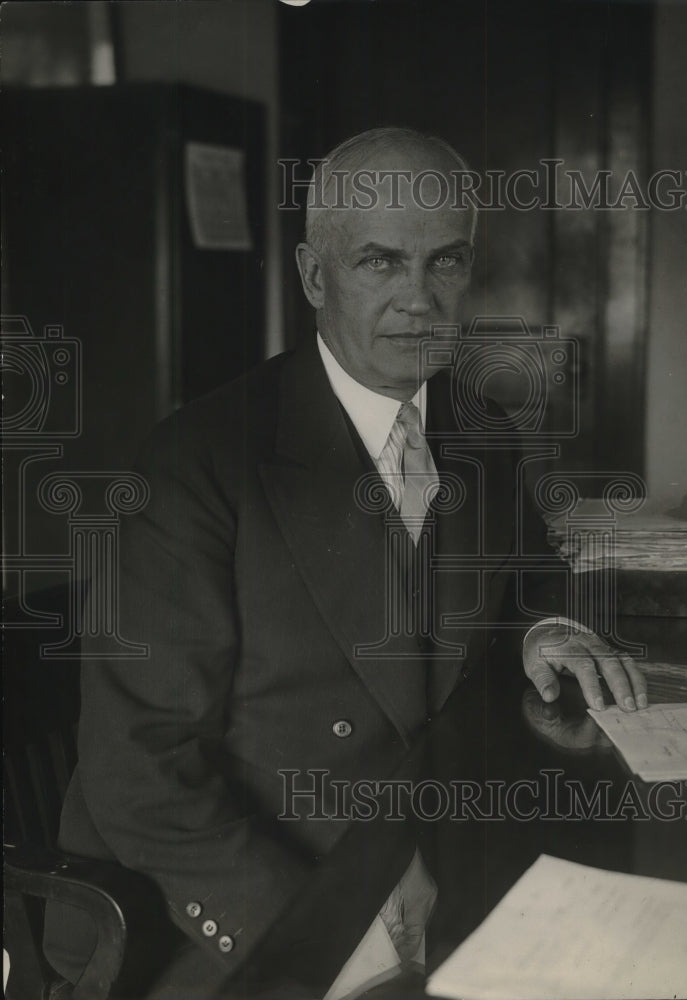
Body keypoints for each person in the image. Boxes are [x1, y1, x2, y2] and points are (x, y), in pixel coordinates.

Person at [44, 127, 646, 999]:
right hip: (235, 908)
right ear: (315, 277)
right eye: (380, 262)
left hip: (436, 859)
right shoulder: (195, 462)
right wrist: (329, 938)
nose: (419, 300)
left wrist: (541, 629)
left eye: (445, 262)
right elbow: (140, 774)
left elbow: (521, 581)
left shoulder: (481, 427)